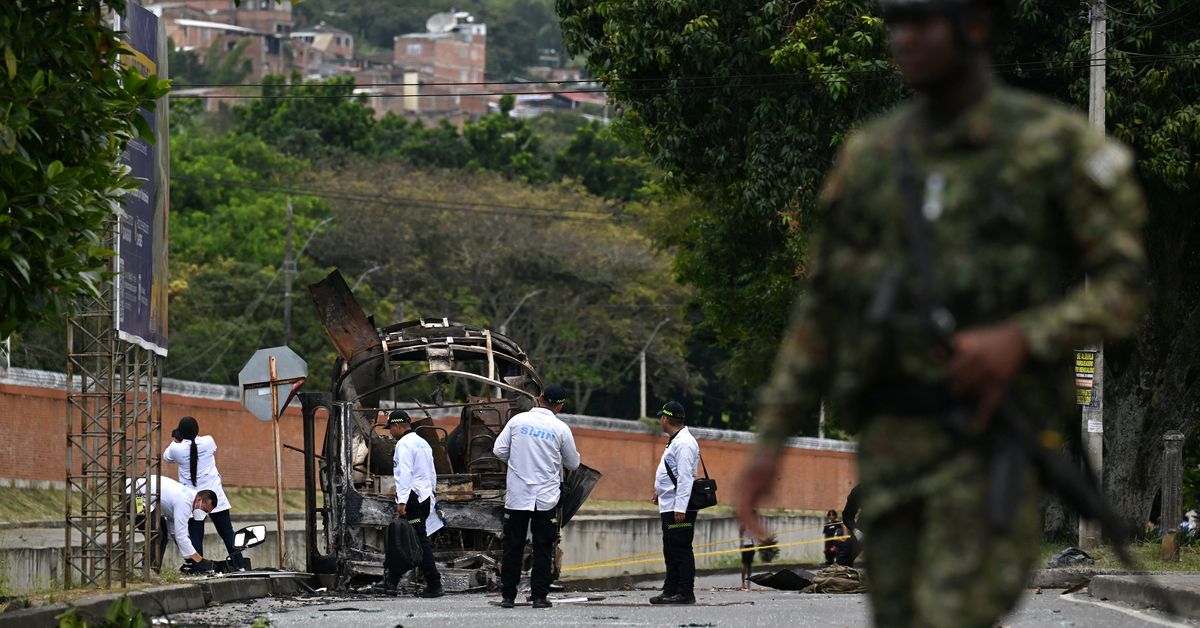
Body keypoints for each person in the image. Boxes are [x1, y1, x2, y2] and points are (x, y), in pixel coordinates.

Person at [733, 0, 1146, 626]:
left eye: (921, 22)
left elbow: (1125, 284)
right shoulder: (872, 156)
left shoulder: (1051, 144)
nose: (903, 38)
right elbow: (823, 309)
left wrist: (1024, 337)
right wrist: (769, 447)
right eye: (896, 23)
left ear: (974, 26)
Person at [493, 383, 581, 609]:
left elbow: (498, 450)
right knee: (543, 547)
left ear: (540, 398)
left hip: (518, 497)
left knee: (513, 546)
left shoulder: (517, 422)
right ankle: (540, 597)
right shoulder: (560, 429)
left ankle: (508, 597)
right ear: (560, 406)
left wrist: (517, 463)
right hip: (546, 499)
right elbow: (573, 463)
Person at [373, 409, 444, 597]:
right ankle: (392, 582)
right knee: (412, 539)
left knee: (418, 541)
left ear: (397, 426)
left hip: (412, 497)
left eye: (390, 428)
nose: (390, 433)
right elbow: (432, 472)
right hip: (424, 496)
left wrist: (402, 501)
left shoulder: (403, 445)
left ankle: (434, 584)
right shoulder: (423, 443)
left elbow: (404, 474)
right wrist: (432, 494)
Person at [164, 416, 245, 570]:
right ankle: (239, 565)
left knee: (196, 536)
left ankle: (198, 568)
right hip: (215, 498)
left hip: (193, 500)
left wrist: (176, 439)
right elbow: (209, 449)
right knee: (227, 533)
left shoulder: (176, 449)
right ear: (197, 430)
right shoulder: (208, 441)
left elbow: (166, 456)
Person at [650, 401, 700, 605]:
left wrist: (680, 508)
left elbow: (686, 478)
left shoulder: (685, 443)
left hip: (680, 508)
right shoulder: (676, 440)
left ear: (665, 419)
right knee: (670, 548)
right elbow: (673, 472)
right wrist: (660, 492)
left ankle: (685, 592)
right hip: (670, 503)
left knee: (680, 548)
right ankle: (670, 589)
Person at [131, 475, 218, 572]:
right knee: (156, 535)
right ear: (199, 500)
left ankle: (153, 570)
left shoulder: (188, 499)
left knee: (162, 537)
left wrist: (189, 556)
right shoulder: (184, 501)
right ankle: (148, 571)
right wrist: (200, 561)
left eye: (207, 512)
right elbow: (181, 536)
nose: (204, 513)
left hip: (144, 497)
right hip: (135, 495)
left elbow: (175, 532)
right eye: (205, 509)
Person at [738, 525, 755, 590]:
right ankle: (743, 583)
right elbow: (741, 535)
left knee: (749, 565)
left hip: (750, 545)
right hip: (745, 545)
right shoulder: (743, 525)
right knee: (745, 564)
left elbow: (751, 537)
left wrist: (753, 546)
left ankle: (748, 583)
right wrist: (741, 544)